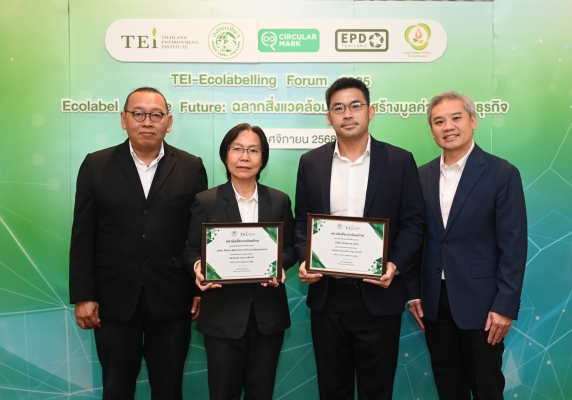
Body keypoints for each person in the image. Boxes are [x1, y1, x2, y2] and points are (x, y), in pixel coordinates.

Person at [69, 87, 208, 399]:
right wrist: (83, 295)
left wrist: (198, 290)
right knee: (116, 388)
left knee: (169, 389)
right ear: (124, 119)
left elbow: (198, 234)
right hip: (113, 300)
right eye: (139, 114)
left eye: (156, 115)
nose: (147, 121)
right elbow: (83, 235)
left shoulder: (191, 167)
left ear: (168, 122)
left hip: (173, 298)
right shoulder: (95, 165)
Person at [294, 77, 426, 400]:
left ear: (371, 111)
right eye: (338, 108)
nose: (347, 113)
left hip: (379, 295)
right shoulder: (310, 162)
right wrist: (305, 259)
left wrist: (394, 265)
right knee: (332, 389)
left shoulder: (399, 161)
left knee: (377, 390)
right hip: (328, 296)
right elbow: (301, 222)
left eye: (355, 105)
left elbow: (413, 223)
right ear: (329, 117)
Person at [406, 91, 527, 400]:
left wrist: (504, 306)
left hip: (483, 305)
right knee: (449, 389)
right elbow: (414, 239)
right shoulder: (420, 176)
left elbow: (513, 244)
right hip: (434, 303)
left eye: (456, 118)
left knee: (487, 388)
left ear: (473, 121)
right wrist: (414, 293)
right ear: (432, 130)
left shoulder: (502, 173)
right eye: (438, 121)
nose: (448, 127)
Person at [183, 123, 297, 400]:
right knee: (223, 394)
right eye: (237, 149)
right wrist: (199, 267)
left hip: (268, 318)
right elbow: (191, 250)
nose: (245, 157)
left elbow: (291, 248)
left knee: (261, 393)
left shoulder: (279, 200)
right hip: (222, 317)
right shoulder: (206, 201)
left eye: (253, 150)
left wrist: (279, 265)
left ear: (263, 158)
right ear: (225, 155)